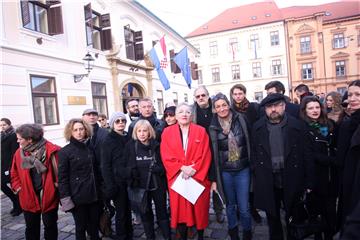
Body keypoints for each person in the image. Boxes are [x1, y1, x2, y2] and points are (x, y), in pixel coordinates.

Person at [251, 93, 313, 240]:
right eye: (269, 107)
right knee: (272, 215)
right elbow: (253, 154)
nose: (274, 109)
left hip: (291, 176)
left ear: (284, 106)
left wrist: (309, 181)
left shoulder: (297, 125)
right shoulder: (257, 127)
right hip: (268, 178)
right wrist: (257, 175)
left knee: (293, 213)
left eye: (277, 105)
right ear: (265, 109)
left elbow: (307, 155)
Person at [161, 103, 212, 240]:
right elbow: (165, 154)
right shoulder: (167, 132)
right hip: (178, 178)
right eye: (181, 112)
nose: (184, 114)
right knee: (180, 211)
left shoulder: (200, 131)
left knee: (199, 209)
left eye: (187, 112)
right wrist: (181, 167)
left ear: (192, 115)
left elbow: (206, 154)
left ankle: (200, 235)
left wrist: (193, 169)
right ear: (176, 115)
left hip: (197, 176)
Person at [209, 93, 252, 240]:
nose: (222, 109)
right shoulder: (213, 127)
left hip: (243, 170)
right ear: (214, 109)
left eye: (224, 105)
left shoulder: (241, 119)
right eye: (218, 106)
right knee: (230, 205)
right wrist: (214, 178)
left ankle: (247, 232)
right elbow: (212, 154)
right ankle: (233, 231)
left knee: (244, 207)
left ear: (229, 105)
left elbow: (249, 141)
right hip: (225, 172)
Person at [11, 124, 60, 240]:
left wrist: (55, 189)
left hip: (49, 196)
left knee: (50, 226)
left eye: (20, 139)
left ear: (30, 139)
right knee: (31, 228)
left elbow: (60, 174)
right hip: (28, 197)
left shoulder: (52, 151)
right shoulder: (19, 153)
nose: (17, 141)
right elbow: (14, 173)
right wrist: (18, 188)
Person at [300, 96, 339, 240]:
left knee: (330, 212)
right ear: (305, 111)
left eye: (317, 107)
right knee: (316, 213)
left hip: (330, 176)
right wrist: (333, 160)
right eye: (310, 108)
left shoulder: (328, 124)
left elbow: (332, 145)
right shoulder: (303, 128)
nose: (315, 110)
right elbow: (310, 154)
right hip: (314, 177)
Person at [124, 120, 170, 240]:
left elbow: (165, 166)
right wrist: (131, 173)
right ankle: (150, 237)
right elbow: (126, 166)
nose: (142, 133)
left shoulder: (157, 145)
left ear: (149, 132)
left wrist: (158, 169)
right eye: (139, 131)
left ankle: (167, 236)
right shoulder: (130, 146)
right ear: (135, 132)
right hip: (140, 186)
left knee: (162, 211)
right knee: (145, 212)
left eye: (145, 130)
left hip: (157, 185)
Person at [58, 119, 101, 240]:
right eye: (75, 130)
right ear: (70, 132)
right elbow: (62, 178)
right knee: (80, 227)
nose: (79, 132)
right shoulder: (65, 152)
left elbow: (97, 171)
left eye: (81, 129)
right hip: (77, 196)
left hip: (94, 194)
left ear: (86, 130)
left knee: (94, 225)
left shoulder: (90, 148)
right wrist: (66, 199)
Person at [192, 86, 225, 224]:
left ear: (208, 96)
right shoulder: (192, 111)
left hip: (216, 150)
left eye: (203, 95)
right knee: (200, 184)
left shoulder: (216, 109)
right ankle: (201, 212)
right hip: (199, 153)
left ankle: (218, 210)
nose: (201, 98)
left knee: (216, 181)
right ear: (195, 98)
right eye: (198, 96)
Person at [229, 84, 261, 224]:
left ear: (244, 93)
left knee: (252, 182)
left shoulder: (253, 107)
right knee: (238, 181)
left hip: (252, 146)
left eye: (240, 93)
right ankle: (239, 210)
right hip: (237, 148)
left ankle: (253, 208)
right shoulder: (229, 109)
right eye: (235, 94)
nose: (238, 96)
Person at [101, 112, 133, 240]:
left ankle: (129, 234)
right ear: (113, 124)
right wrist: (110, 185)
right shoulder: (108, 140)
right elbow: (105, 165)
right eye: (117, 121)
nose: (121, 123)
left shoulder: (129, 137)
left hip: (129, 180)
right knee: (121, 212)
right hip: (117, 182)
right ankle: (122, 236)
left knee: (128, 210)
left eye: (123, 121)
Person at [82, 108, 113, 235]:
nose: (92, 117)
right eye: (88, 115)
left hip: (102, 174)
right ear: (83, 117)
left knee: (105, 204)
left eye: (94, 114)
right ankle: (92, 230)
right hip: (87, 176)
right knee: (91, 207)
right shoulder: (80, 131)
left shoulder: (104, 132)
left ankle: (106, 227)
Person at [337, 80, 360, 231]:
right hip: (349, 180)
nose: (352, 98)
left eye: (358, 94)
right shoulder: (348, 122)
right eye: (350, 94)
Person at [1, 118, 21, 216]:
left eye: (4, 125)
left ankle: (18, 206)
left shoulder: (13, 136)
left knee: (14, 185)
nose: (2, 127)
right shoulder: (2, 135)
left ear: (9, 124)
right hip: (2, 164)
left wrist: (10, 168)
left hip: (10, 165)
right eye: (0, 125)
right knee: (2, 185)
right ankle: (16, 203)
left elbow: (14, 153)